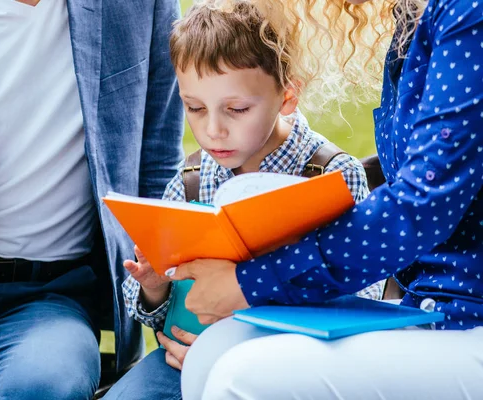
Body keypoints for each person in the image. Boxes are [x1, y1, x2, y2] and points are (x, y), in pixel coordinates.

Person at [169, 0, 483, 398]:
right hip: (431, 305)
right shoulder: (412, 18)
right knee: (212, 352)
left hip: (469, 317)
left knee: (242, 376)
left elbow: (420, 206)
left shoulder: (469, 14)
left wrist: (251, 283)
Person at [0, 0, 183, 398]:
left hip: (46, 301)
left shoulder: (142, 6)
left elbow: (159, 164)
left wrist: (179, 315)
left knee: (45, 387)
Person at [103, 2, 382, 399]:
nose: (213, 130)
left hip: (289, 371)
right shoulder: (191, 182)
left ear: (287, 95)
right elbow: (157, 314)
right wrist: (154, 286)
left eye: (236, 109)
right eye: (195, 108)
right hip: (184, 362)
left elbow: (363, 299)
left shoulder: (331, 177)